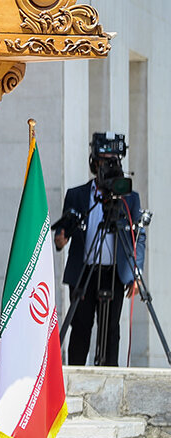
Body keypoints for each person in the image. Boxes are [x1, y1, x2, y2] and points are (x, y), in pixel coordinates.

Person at [54, 134, 145, 366]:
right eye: (104, 161)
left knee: (111, 330)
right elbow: (62, 236)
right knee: (81, 327)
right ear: (94, 163)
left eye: (113, 161)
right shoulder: (77, 195)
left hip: (114, 272)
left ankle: (110, 377)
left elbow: (138, 237)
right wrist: (61, 237)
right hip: (85, 273)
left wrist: (137, 272)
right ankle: (74, 375)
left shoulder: (130, 198)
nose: (108, 166)